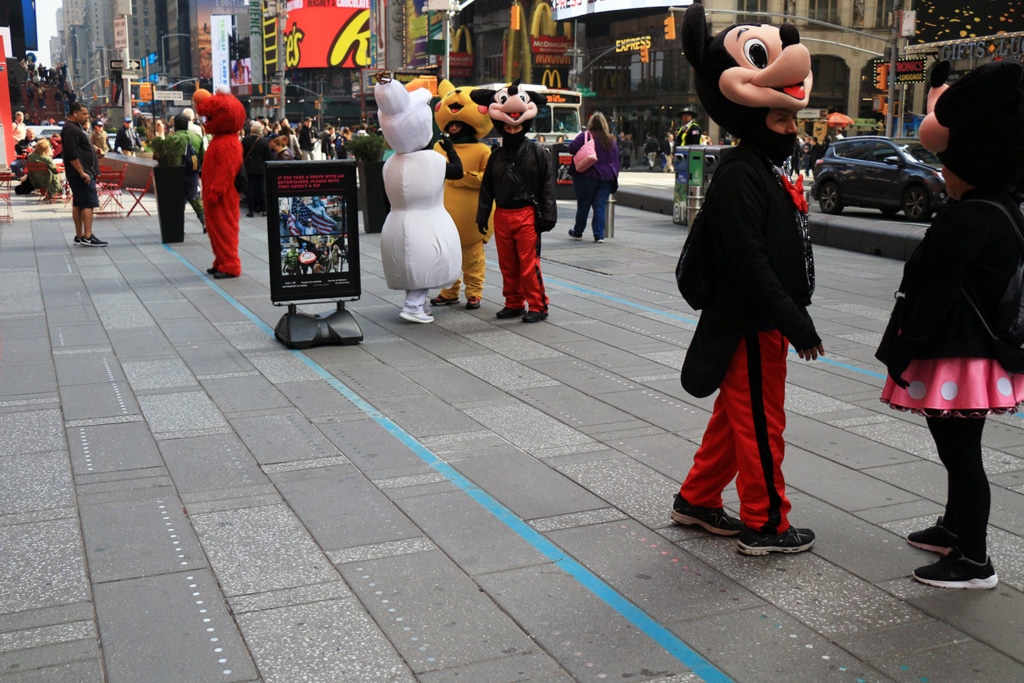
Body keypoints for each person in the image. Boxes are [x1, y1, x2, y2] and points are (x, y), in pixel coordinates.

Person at [671, 5, 821, 555]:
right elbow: (751, 262)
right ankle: (766, 524)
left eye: (792, 121)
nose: (791, 130)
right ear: (759, 120)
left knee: (736, 416)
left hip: (757, 320)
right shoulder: (742, 173)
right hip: (751, 321)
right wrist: (796, 323)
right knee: (761, 422)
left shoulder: (761, 168)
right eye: (782, 121)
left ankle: (697, 497)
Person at [877, 60, 1024, 590]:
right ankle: (952, 528)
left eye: (945, 162)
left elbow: (934, 295)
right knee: (961, 450)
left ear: (970, 160)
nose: (940, 171)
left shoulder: (966, 217)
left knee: (960, 456)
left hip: (953, 353)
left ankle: (975, 559)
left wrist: (902, 350)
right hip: (980, 353)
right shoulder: (1006, 209)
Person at [375, 76, 462, 324]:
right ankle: (413, 306)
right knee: (425, 264)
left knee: (409, 265)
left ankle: (417, 303)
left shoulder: (389, 163)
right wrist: (450, 149)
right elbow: (457, 171)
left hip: (396, 221)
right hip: (427, 222)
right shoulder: (432, 160)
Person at [472, 80, 557, 323]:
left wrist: (549, 215)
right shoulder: (496, 155)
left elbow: (547, 186)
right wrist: (482, 215)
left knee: (529, 264)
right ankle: (514, 302)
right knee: (507, 264)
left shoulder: (538, 152)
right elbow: (487, 188)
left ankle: (539, 306)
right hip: (503, 215)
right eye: (507, 127)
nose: (512, 129)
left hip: (527, 214)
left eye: (515, 126)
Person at [428, 79, 495, 311]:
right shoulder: (439, 147)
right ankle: (449, 290)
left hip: (472, 214)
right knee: (446, 255)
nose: (454, 127)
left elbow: (487, 180)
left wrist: (460, 177)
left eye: (459, 123)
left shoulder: (483, 150)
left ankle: (474, 292)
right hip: (443, 213)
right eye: (452, 124)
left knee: (473, 255)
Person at [193, 88, 246, 279]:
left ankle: (230, 264)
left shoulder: (228, 143)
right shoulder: (221, 139)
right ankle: (220, 261)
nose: (206, 121)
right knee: (216, 228)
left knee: (225, 228)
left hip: (221, 195)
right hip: (214, 194)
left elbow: (226, 171)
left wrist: (215, 190)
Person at [567, 111, 619, 243]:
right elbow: (616, 160)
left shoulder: (586, 135)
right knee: (600, 205)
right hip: (606, 177)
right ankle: (599, 235)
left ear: (591, 123)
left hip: (587, 174)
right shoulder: (611, 141)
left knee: (583, 204)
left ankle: (578, 231)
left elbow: (571, 148)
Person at [61, 102, 107, 247]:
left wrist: (94, 152)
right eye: (84, 113)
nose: (87, 116)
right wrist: (82, 172)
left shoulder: (75, 128)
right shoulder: (70, 129)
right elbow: (71, 153)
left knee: (79, 203)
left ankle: (80, 235)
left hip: (82, 171)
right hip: (81, 174)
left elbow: (80, 148)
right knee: (87, 203)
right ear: (75, 113)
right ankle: (87, 235)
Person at [169, 115, 205, 231]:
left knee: (178, 199)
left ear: (175, 126)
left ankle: (178, 225)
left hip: (176, 173)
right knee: (194, 196)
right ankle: (204, 219)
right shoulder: (196, 138)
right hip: (192, 172)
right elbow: (202, 156)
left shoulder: (172, 138)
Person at [241, 120, 270, 217]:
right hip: (261, 168)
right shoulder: (264, 141)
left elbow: (242, 154)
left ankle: (251, 210)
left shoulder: (246, 140)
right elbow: (268, 156)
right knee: (261, 188)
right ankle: (264, 209)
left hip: (249, 168)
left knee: (250, 189)